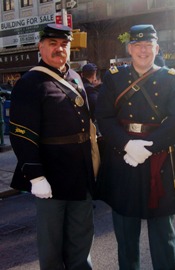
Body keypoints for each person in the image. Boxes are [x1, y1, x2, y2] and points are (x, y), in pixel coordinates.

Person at [95, 24, 175, 269]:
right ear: (129, 49)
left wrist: (147, 147)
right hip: (123, 160)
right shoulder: (114, 78)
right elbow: (104, 117)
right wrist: (127, 145)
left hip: (159, 160)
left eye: (148, 46)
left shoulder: (171, 78)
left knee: (163, 234)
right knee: (125, 233)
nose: (143, 50)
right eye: (137, 45)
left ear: (156, 48)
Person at [9, 24, 95, 269]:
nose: (59, 49)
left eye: (64, 44)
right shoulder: (30, 82)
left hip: (81, 171)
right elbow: (21, 134)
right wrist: (35, 176)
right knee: (52, 243)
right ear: (41, 47)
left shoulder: (75, 77)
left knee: (81, 236)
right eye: (53, 44)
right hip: (51, 173)